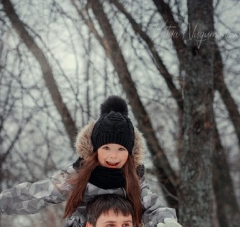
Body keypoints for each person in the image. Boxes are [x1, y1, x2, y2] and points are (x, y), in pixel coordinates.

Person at [0, 96, 182, 227]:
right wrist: (4, 202)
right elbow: (40, 193)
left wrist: (166, 222)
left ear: (129, 153)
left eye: (121, 149)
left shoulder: (133, 178)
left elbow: (152, 207)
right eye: (106, 148)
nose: (113, 156)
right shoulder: (79, 173)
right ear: (95, 150)